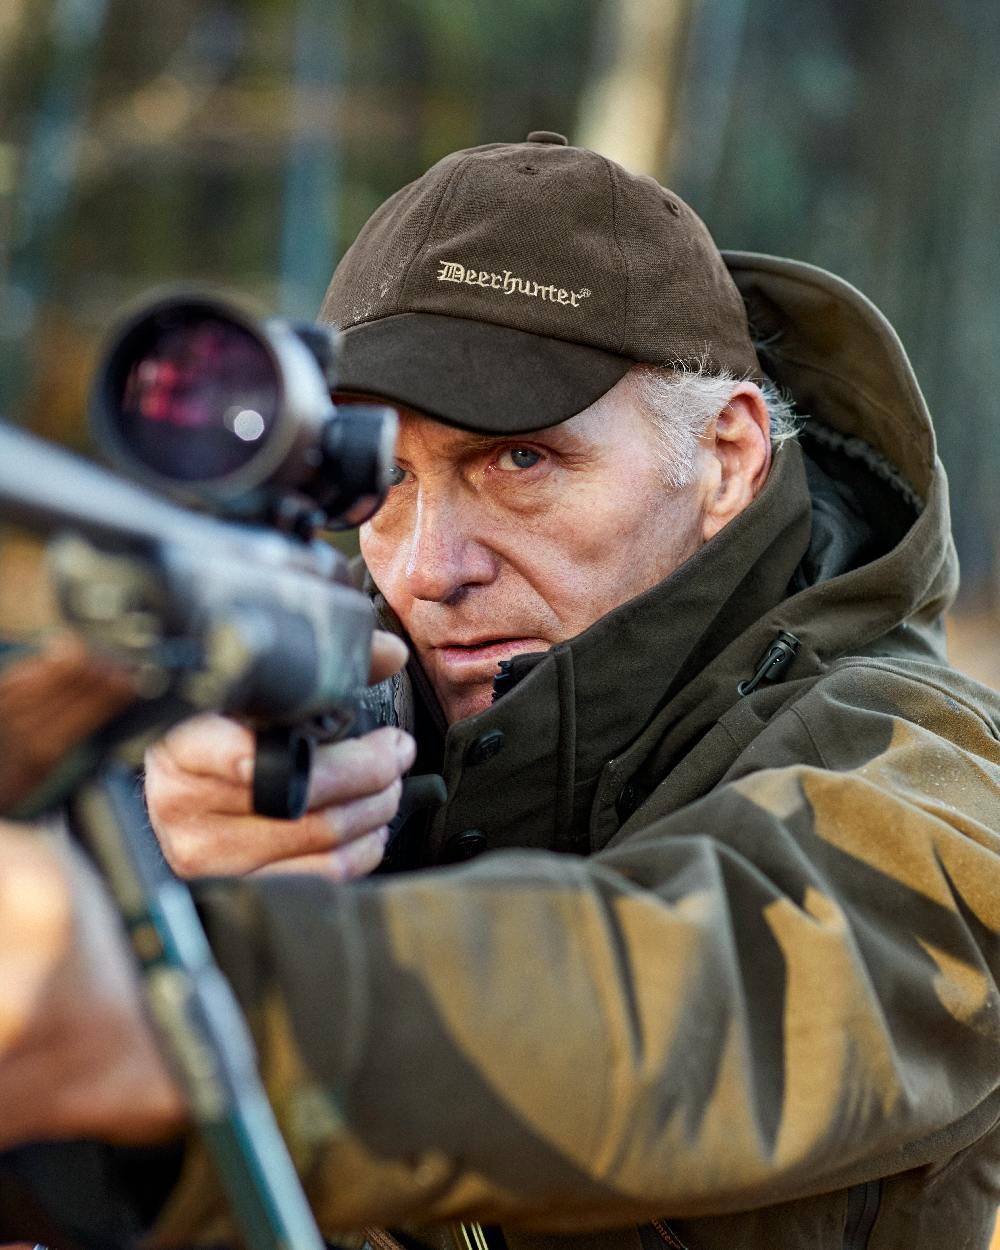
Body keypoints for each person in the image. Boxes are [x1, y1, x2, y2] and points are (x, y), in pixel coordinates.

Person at [2, 131, 1000, 1250]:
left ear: (725, 457)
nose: (429, 569)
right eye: (381, 479)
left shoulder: (924, 764)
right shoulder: (318, 700)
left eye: (516, 461)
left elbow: (722, 999)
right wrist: (159, 859)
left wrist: (172, 1014)